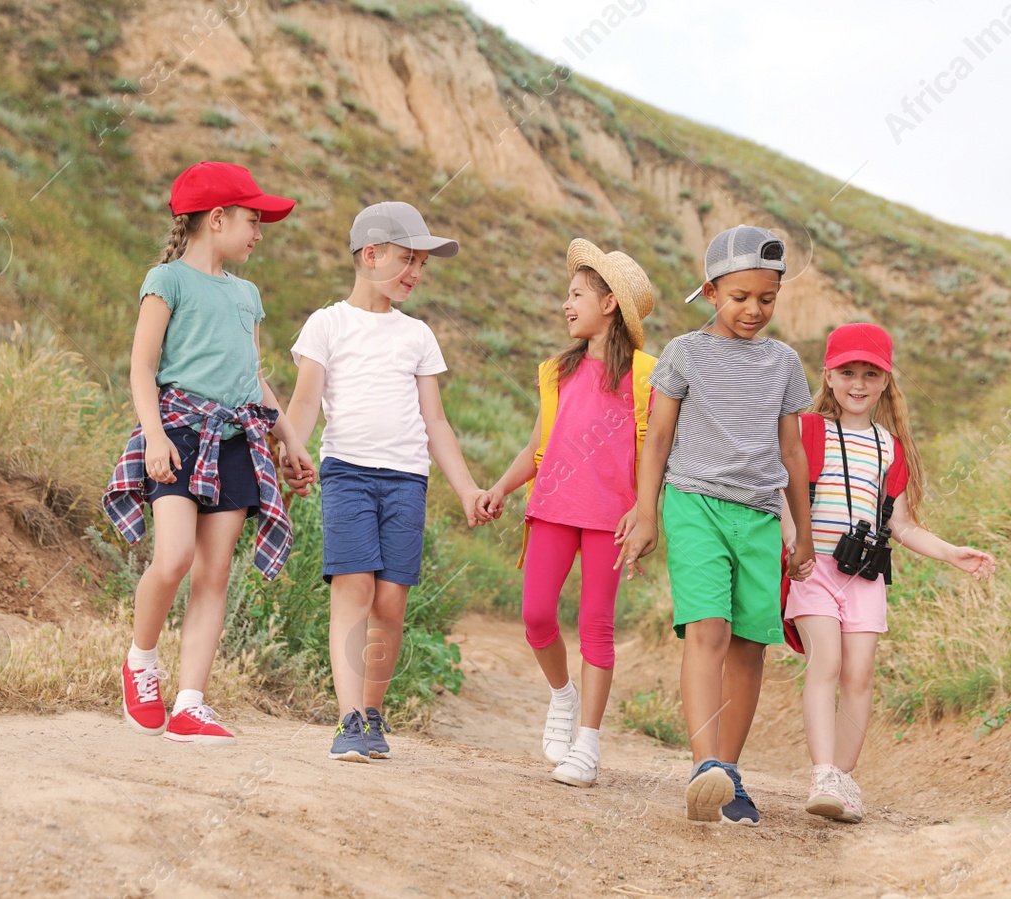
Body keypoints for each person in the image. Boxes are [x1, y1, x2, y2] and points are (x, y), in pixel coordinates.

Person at [104, 161, 313, 746]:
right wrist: (154, 436)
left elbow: (253, 378)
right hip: (179, 433)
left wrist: (289, 439)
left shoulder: (247, 293)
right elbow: (142, 367)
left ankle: (191, 703)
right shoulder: (165, 279)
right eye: (252, 219)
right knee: (171, 559)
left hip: (237, 440)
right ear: (216, 219)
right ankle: (141, 662)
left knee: (213, 573)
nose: (259, 231)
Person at [615, 224, 814, 825]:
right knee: (708, 629)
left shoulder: (784, 362)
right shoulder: (683, 353)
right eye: (740, 298)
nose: (754, 310)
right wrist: (646, 510)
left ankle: (730, 773)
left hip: (758, 515)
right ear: (710, 291)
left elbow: (793, 453)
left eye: (767, 298)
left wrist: (800, 532)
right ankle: (707, 767)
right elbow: (659, 440)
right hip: (694, 502)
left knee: (751, 643)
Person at [281, 201, 490, 763]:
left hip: (406, 481)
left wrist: (467, 488)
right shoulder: (327, 324)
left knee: (391, 602)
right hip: (346, 472)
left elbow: (436, 422)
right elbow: (304, 401)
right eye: (407, 259)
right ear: (370, 255)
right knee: (356, 589)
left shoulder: (417, 335)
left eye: (421, 263)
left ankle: (372, 713)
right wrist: (291, 451)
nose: (416, 273)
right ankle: (347, 718)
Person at [788, 323, 994, 822]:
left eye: (870, 374)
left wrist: (949, 552)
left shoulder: (889, 447)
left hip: (865, 576)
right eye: (848, 372)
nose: (858, 384)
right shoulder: (806, 429)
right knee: (828, 664)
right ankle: (821, 774)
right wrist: (792, 544)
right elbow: (783, 495)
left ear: (885, 381)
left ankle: (844, 779)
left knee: (859, 676)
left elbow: (899, 524)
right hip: (812, 568)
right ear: (829, 376)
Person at [479, 239, 656, 788]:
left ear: (610, 305)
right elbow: (539, 447)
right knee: (535, 616)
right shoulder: (556, 371)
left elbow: (656, 456)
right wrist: (500, 487)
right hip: (553, 508)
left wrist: (648, 515)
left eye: (577, 294)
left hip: (612, 519)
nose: (566, 304)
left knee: (596, 626)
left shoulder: (649, 376)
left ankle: (588, 744)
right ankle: (562, 694)